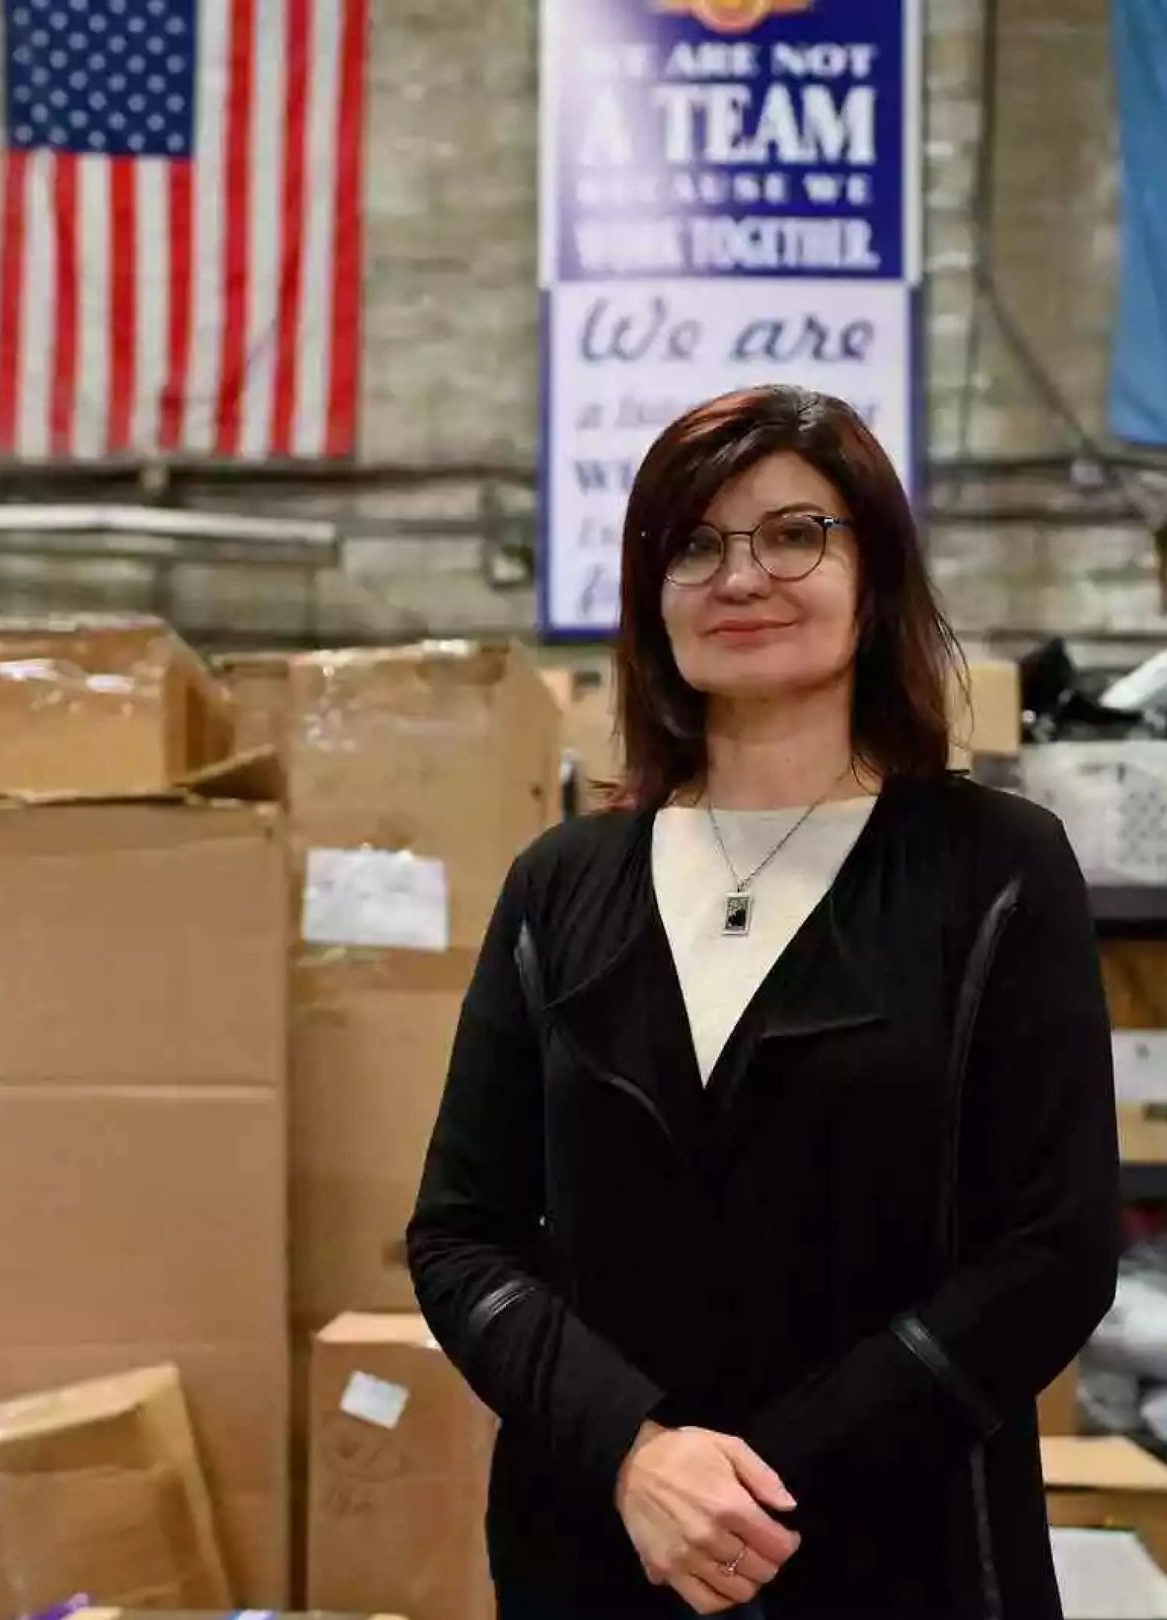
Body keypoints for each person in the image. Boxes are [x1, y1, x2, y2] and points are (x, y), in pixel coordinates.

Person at [408, 384, 1121, 1619]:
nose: (742, 577)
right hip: (602, 1547)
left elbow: (1051, 1253)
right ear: (649, 598)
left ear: (876, 573)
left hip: (901, 1552)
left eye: (795, 534)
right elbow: (460, 1238)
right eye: (694, 544)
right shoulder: (559, 883)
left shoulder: (993, 868)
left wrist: (755, 1486)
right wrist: (636, 1453)